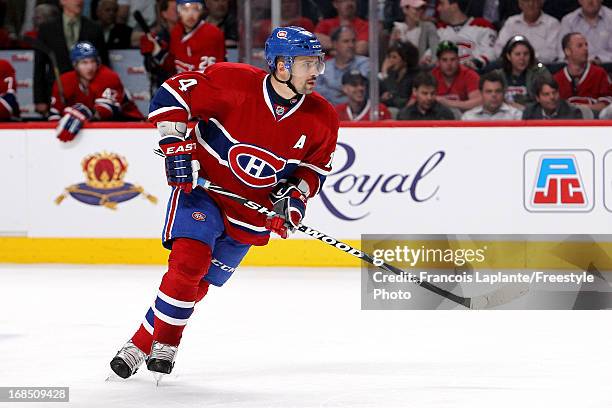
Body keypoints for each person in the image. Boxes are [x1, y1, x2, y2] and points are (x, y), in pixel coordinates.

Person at [108, 26, 339, 379]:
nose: (315, 73)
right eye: (307, 64)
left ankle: (139, 344)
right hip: (205, 192)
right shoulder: (231, 82)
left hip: (251, 215)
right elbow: (171, 96)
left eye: (317, 64)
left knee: (198, 285)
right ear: (281, 65)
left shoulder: (323, 118)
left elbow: (312, 171)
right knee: (188, 264)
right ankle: (166, 344)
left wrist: (292, 202)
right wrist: (175, 146)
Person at [50, 42, 143, 142]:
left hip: (129, 125)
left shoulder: (108, 76)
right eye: (84, 63)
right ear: (75, 65)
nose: (90, 67)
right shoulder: (64, 81)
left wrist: (85, 112)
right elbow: (54, 115)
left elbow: (106, 111)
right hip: (91, 128)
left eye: (92, 62)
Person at [33, 0, 108, 116]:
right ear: (62, 1)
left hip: (88, 95)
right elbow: (39, 67)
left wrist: (103, 96)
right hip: (56, 93)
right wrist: (39, 99)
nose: (79, 1)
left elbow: (104, 65)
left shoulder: (94, 28)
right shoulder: (47, 29)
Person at [140, 0, 225, 76]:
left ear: (201, 11)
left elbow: (214, 73)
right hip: (182, 88)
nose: (190, 14)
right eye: (185, 9)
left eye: (195, 9)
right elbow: (173, 67)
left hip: (203, 89)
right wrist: (157, 51)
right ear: (178, 11)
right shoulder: (176, 32)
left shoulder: (212, 33)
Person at [554, 32, 612, 113]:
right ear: (567, 51)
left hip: (595, 123)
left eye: (586, 45)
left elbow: (607, 105)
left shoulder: (599, 74)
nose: (585, 48)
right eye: (580, 46)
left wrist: (582, 109)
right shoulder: (557, 79)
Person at [493, 0, 560, 64]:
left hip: (539, 66)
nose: (531, 4)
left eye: (535, 1)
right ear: (520, 4)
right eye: (526, 1)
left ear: (541, 3)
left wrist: (526, 58)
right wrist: (514, 59)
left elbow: (552, 53)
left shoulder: (552, 24)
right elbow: (499, 48)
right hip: (511, 66)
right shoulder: (511, 22)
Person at [436, 0, 497, 70]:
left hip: (475, 75)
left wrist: (476, 62)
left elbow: (491, 52)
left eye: (441, 4)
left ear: (454, 6)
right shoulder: (439, 29)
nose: (438, 8)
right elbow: (430, 55)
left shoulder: (483, 26)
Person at [316, 26, 369, 106]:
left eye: (353, 41)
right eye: (346, 41)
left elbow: (361, 89)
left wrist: (330, 90)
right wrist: (344, 91)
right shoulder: (324, 67)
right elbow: (315, 90)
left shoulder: (365, 63)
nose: (351, 45)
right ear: (334, 44)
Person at [495, 35, 549, 109]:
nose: (522, 58)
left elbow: (547, 101)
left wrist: (523, 108)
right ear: (508, 56)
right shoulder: (497, 75)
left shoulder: (539, 73)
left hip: (531, 116)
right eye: (517, 54)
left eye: (526, 54)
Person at [431, 40, 482, 111]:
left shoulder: (469, 74)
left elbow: (479, 102)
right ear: (438, 62)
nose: (449, 64)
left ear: (458, 60)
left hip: (464, 119)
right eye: (444, 60)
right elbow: (414, 102)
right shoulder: (431, 76)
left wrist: (446, 102)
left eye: (452, 59)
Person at [389, 0, 439, 65]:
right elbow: (391, 58)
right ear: (405, 9)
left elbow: (435, 52)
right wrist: (396, 42)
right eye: (416, 9)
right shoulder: (397, 29)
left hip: (423, 71)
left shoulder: (428, 27)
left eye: (421, 8)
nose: (420, 11)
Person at [379, 42, 420, 109]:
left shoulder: (414, 76)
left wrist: (384, 72)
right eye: (389, 57)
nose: (390, 61)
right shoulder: (393, 73)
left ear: (405, 60)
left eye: (394, 57)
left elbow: (401, 102)